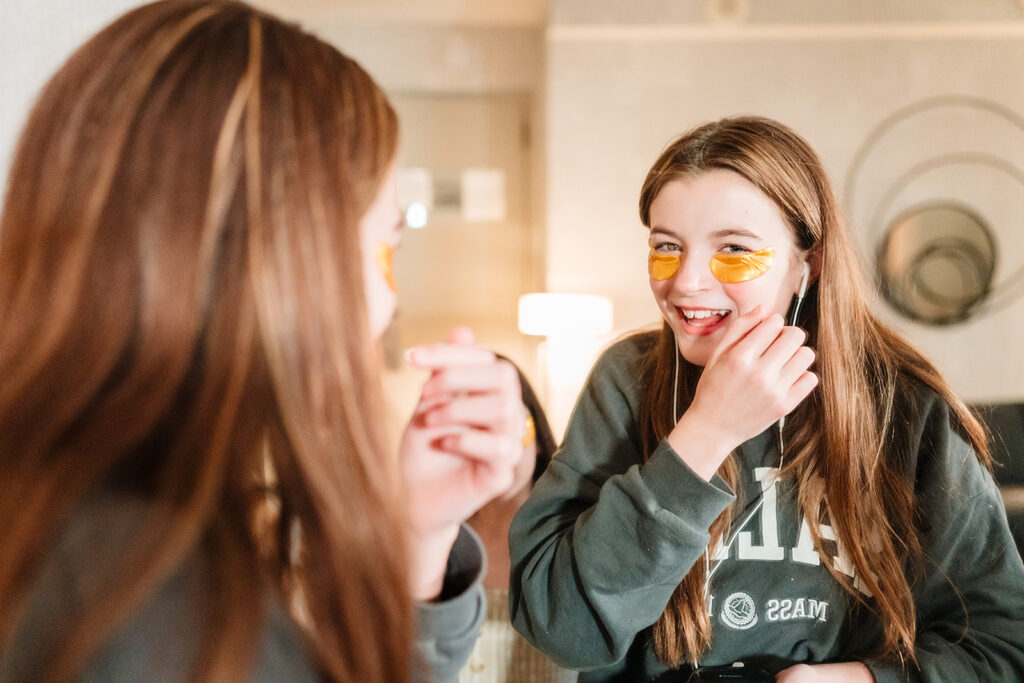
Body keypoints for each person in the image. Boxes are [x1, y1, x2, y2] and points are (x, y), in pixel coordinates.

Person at [0, 1, 526, 681]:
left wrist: (418, 539)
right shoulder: (156, 607)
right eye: (384, 249)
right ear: (285, 260)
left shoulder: (72, 516)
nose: (390, 300)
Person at [508, 116, 1024, 681]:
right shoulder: (625, 380)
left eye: (733, 248)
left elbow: (1003, 645)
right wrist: (705, 433)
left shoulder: (905, 404)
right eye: (665, 247)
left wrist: (863, 680)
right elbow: (558, 626)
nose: (685, 282)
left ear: (810, 262)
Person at [458, 360, 575, 683]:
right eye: (474, 428)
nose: (495, 449)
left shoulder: (571, 536)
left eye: (508, 426)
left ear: (536, 437)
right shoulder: (431, 540)